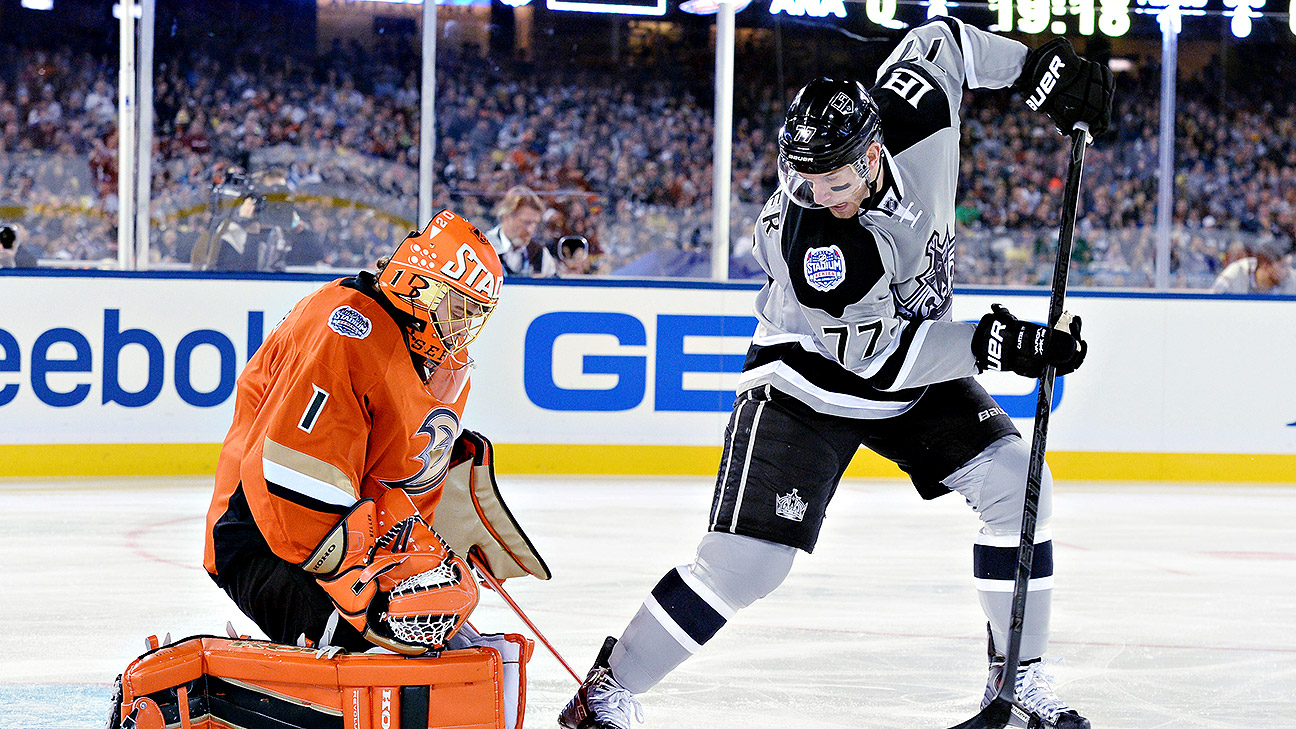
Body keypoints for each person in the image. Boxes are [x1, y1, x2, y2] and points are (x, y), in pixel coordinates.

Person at [559, 18, 1109, 729]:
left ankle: (1019, 682)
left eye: (837, 179)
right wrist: (1000, 343)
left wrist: (1041, 70)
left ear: (874, 151)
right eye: (806, 179)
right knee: (746, 564)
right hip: (806, 379)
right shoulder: (815, 243)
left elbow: (946, 40)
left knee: (1016, 483)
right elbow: (877, 363)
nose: (822, 194)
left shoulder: (915, 107)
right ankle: (604, 694)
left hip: (906, 348)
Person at [202, 208, 503, 655]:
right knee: (375, 656)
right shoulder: (346, 328)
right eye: (458, 308)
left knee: (457, 645)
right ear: (418, 286)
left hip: (345, 536)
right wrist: (366, 589)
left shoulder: (441, 365)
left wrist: (435, 540)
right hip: (258, 534)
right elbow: (292, 478)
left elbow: (392, 469)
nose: (463, 328)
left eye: (474, 314)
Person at [486, 185, 557, 278]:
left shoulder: (540, 254)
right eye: (526, 222)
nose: (530, 230)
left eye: (534, 223)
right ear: (506, 217)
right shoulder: (484, 247)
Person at [1210, 239, 1296, 294]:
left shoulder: (1291, 278)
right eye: (1282, 266)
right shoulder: (1236, 273)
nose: (1287, 271)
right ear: (1265, 266)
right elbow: (1213, 305)